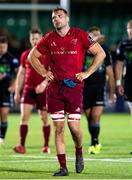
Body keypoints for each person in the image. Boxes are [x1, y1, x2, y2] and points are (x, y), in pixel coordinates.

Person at [28, 7, 106, 176]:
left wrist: (87, 73)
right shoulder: (49, 38)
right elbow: (31, 57)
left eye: (59, 16)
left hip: (74, 88)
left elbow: (100, 53)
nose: (56, 19)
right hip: (55, 89)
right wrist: (43, 72)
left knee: (74, 127)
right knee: (58, 128)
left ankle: (79, 150)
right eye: (53, 17)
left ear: (67, 18)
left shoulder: (80, 35)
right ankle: (63, 167)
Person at [13, 29, 51, 154]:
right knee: (24, 117)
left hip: (43, 90)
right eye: (33, 38)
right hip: (28, 89)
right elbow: (21, 73)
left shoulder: (47, 54)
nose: (35, 41)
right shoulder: (25, 55)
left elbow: (52, 72)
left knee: (44, 118)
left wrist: (44, 84)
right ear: (30, 39)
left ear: (41, 39)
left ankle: (46, 146)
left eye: (37, 38)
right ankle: (21, 146)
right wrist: (17, 92)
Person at [83, 26, 116, 154]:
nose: (96, 36)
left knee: (95, 117)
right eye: (93, 34)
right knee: (89, 118)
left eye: (98, 34)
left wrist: (112, 92)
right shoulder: (83, 50)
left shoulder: (105, 52)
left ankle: (94, 142)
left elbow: (110, 73)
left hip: (99, 89)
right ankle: (94, 139)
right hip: (84, 89)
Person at [115, 20, 132, 152]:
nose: (130, 30)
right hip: (130, 82)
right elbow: (119, 64)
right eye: (129, 28)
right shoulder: (124, 44)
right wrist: (118, 82)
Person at [0, 35, 19, 145]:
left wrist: (15, 85)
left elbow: (18, 73)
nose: (2, 49)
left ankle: (1, 137)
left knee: (4, 114)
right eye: (0, 47)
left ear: (6, 46)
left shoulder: (12, 59)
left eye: (4, 47)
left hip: (6, 91)